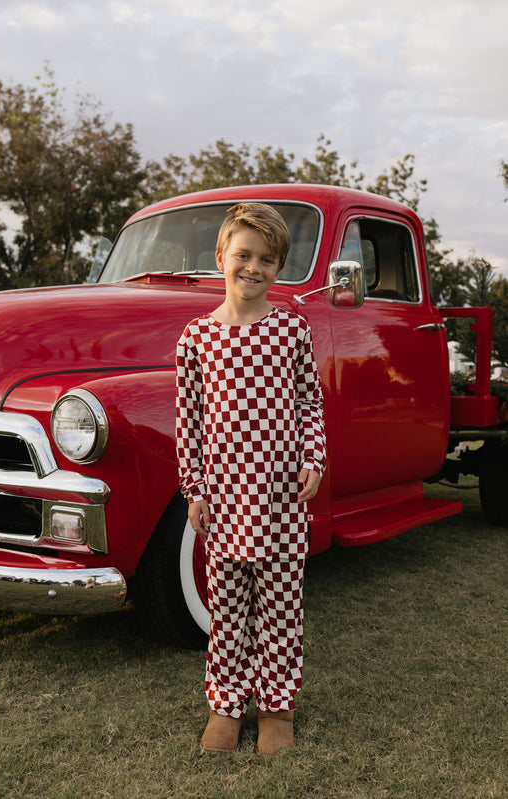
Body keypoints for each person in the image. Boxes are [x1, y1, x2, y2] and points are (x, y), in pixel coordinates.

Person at [175, 202, 326, 755]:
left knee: (282, 605)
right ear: (222, 257)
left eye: (266, 259)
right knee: (229, 607)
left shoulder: (291, 329)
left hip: (283, 497)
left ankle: (277, 710)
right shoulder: (196, 337)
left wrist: (314, 456)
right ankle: (226, 705)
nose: (253, 268)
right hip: (224, 498)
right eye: (243, 255)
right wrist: (194, 489)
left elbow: (310, 401)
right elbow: (188, 418)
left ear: (278, 267)